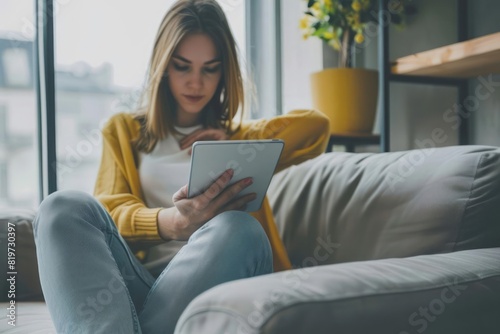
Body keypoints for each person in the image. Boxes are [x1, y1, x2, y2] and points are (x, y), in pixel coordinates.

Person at [33, 0, 330, 333]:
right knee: (61, 206)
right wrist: (174, 223)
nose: (196, 82)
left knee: (239, 228)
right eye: (182, 66)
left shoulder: (237, 137)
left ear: (225, 71)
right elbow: (111, 212)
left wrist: (235, 138)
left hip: (212, 285)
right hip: (133, 288)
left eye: (210, 68)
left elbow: (316, 127)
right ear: (163, 66)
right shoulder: (124, 130)